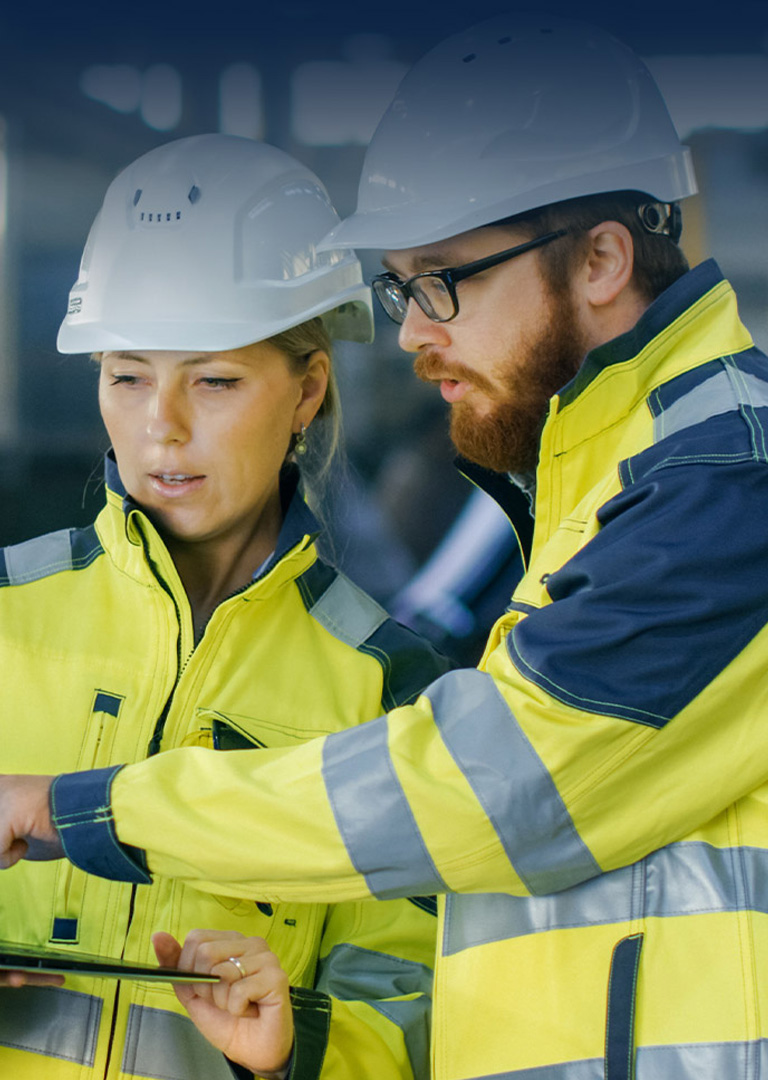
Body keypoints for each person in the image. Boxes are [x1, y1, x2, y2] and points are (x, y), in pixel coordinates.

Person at [2, 12, 768, 1079]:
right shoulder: (607, 480)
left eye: (443, 278)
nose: (410, 332)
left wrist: (73, 807)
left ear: (600, 258)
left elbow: (496, 794)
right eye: (125, 374)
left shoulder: (719, 479)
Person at [0, 132, 452, 1080]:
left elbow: (414, 1012)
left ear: (306, 392)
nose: (160, 424)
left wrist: (292, 1049)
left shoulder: (391, 693)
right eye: (126, 377)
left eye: (213, 380)